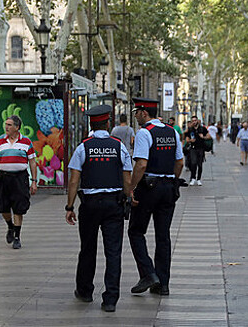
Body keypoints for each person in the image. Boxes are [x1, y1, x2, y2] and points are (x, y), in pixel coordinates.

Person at [65, 105, 132, 313]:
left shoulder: (83, 147)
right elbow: (127, 177)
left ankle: (85, 291)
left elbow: (74, 180)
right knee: (113, 252)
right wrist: (128, 197)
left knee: (87, 248)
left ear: (91, 124)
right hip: (114, 205)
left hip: (90, 205)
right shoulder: (118, 146)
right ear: (108, 123)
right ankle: (110, 299)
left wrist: (69, 206)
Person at [128, 97, 184, 296]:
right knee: (163, 236)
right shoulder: (172, 132)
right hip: (168, 188)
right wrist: (172, 181)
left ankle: (148, 273)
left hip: (148, 188)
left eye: (136, 112)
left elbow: (141, 164)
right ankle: (163, 284)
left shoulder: (145, 133)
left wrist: (131, 188)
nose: (135, 116)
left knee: (136, 231)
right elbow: (180, 162)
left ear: (144, 113)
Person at [0, 115, 38, 249]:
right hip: (3, 178)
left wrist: (34, 181)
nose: (6, 127)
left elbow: (32, 162)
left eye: (9, 125)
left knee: (18, 207)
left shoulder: (26, 142)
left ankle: (17, 237)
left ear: (17, 127)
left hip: (20, 178)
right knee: (3, 206)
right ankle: (10, 226)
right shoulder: (0, 141)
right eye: (6, 124)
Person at [185, 116, 211, 185]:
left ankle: (198, 179)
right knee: (193, 163)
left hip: (201, 148)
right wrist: (190, 140)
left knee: (200, 164)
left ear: (197, 121)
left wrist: (203, 137)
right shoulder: (190, 129)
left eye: (195, 120)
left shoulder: (202, 129)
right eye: (192, 121)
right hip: (193, 148)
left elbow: (209, 136)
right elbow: (187, 139)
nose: (194, 122)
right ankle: (193, 178)